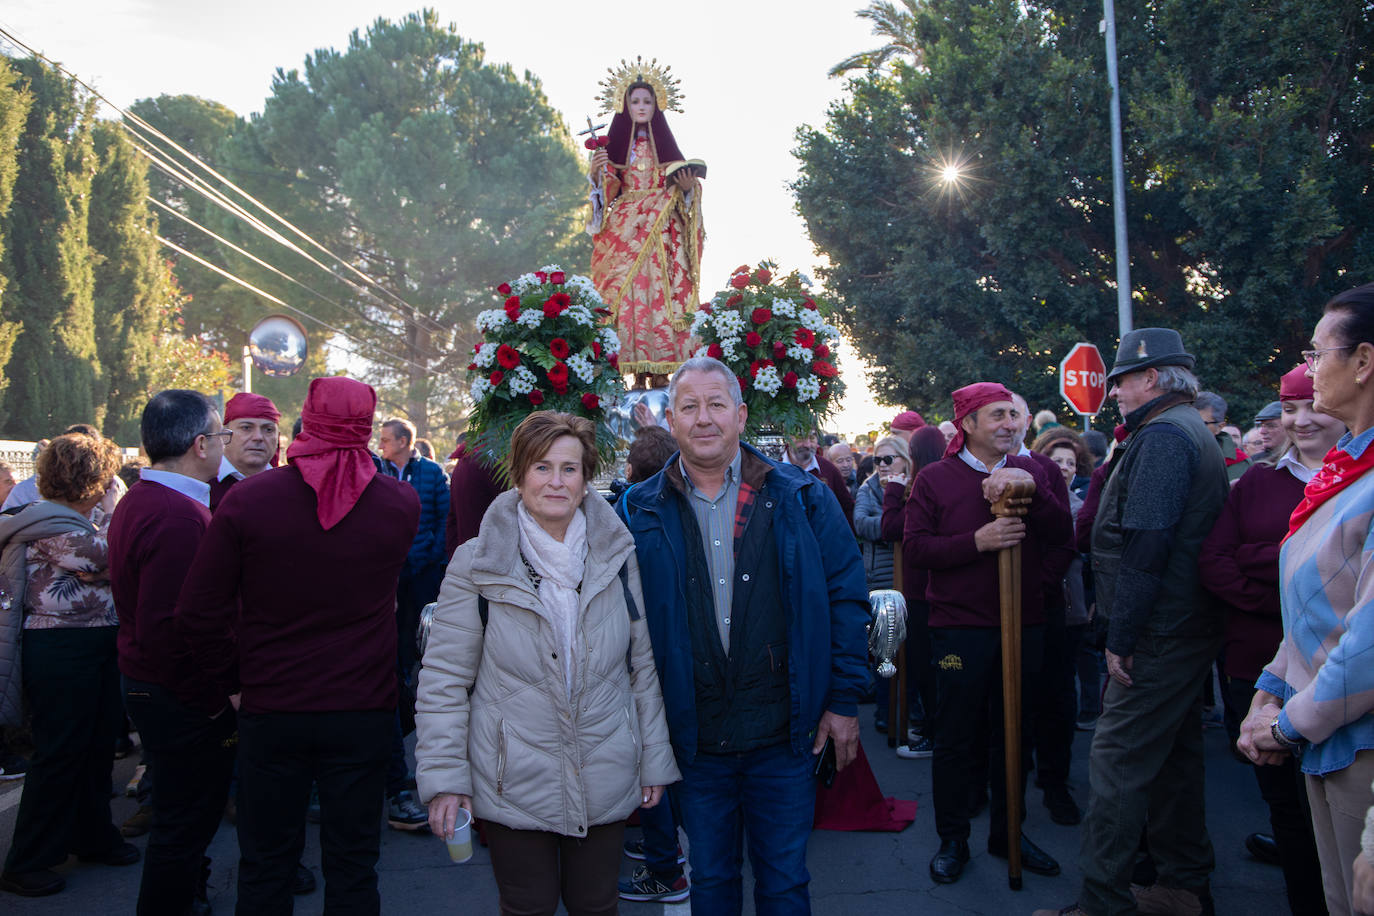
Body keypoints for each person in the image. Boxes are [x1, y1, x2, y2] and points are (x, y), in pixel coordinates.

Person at [619, 356, 870, 913]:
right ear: (672, 421)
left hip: (784, 734)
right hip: (695, 737)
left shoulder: (802, 497)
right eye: (689, 406)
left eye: (715, 404)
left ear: (740, 415)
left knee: (784, 883)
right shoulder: (638, 508)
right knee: (711, 882)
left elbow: (846, 599)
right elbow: (618, 618)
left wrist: (844, 700)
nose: (703, 418)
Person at [417, 411, 679, 915]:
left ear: (586, 481)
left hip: (604, 762)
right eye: (541, 467)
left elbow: (640, 667)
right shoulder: (477, 562)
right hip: (513, 772)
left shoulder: (617, 556)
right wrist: (446, 778)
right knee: (527, 907)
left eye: (569, 469)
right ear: (518, 475)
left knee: (596, 905)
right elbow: (445, 679)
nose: (556, 481)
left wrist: (653, 758)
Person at [176, 376, 420, 914]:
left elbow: (198, 612)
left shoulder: (249, 501)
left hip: (273, 704)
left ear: (305, 420)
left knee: (266, 863)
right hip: (361, 708)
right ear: (366, 425)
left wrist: (234, 683)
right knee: (355, 864)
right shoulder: (400, 502)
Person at [1037, 327, 1229, 916]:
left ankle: (1103, 904)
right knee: (1174, 757)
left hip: (1157, 632)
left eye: (1121, 380)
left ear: (1152, 378)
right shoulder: (1175, 430)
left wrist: (1120, 638)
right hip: (1174, 626)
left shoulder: (1168, 436)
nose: (1114, 391)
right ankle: (1182, 886)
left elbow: (1149, 545)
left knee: (1116, 761)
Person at [1237, 283, 1374, 916]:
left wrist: (1286, 725)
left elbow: (1366, 646)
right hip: (1322, 728)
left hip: (1357, 743)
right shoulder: (1348, 466)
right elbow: (1314, 610)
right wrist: (1268, 692)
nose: (1310, 366)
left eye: (1317, 352)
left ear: (1364, 362)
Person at [905, 383, 1073, 885]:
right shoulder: (936, 479)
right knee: (957, 736)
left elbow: (1063, 533)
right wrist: (976, 541)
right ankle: (953, 839)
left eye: (1013, 415)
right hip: (959, 631)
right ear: (968, 425)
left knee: (1016, 733)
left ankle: (1009, 833)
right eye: (995, 415)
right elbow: (916, 550)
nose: (1008, 423)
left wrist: (1030, 490)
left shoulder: (1038, 471)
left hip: (1026, 625)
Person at [1199, 365, 1338, 916]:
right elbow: (1214, 561)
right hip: (1257, 667)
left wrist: (1265, 560)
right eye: (1288, 407)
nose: (1300, 420)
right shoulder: (1256, 483)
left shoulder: (1358, 480)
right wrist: (1279, 594)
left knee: (1342, 812)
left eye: (1311, 405)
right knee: (1284, 807)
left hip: (1337, 677)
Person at [110, 390, 235, 916]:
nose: (227, 447)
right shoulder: (175, 516)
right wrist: (213, 701)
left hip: (152, 684)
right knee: (182, 826)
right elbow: (173, 631)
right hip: (176, 696)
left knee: (178, 823)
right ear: (201, 444)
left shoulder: (145, 498)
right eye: (225, 435)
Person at [0, 432, 135, 897]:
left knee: (95, 746)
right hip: (61, 649)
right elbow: (116, 557)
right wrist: (108, 565)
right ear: (97, 481)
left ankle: (93, 836)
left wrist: (106, 568)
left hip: (90, 643)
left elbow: (109, 562)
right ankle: (27, 861)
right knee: (60, 753)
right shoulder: (53, 524)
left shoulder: (71, 521)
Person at [587, 61, 703, 385]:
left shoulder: (667, 148)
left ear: (656, 106)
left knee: (658, 296)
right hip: (625, 231)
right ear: (625, 106)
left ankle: (661, 372)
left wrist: (686, 188)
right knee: (630, 297)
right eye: (635, 101)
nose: (641, 107)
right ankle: (636, 371)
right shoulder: (614, 149)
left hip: (662, 230)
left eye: (647, 102)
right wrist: (598, 171)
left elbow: (685, 191)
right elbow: (606, 193)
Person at [376, 416, 449, 830]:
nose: (382, 444)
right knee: (395, 638)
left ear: (404, 442)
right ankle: (402, 682)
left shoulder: (431, 473)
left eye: (387, 439)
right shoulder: (379, 470)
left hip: (422, 569)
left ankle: (414, 685)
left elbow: (442, 518)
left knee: (415, 634)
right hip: (391, 569)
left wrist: (430, 556)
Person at [879, 425, 949, 757]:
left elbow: (892, 528)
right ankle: (935, 726)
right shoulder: (944, 479)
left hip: (922, 590)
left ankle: (938, 732)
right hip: (931, 588)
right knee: (934, 664)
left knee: (927, 665)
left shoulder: (926, 484)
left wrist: (893, 490)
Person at [209, 392, 280, 510]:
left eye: (268, 429)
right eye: (246, 428)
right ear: (225, 434)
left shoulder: (286, 487)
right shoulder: (205, 483)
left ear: (277, 437)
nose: (258, 437)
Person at [783, 429, 856, 528]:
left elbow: (847, 508)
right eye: (801, 437)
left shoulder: (828, 469)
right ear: (787, 437)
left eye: (812, 438)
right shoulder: (774, 466)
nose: (808, 444)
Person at [1195, 390, 1253, 483]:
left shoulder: (1240, 464)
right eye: (1188, 422)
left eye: (1202, 424)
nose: (1191, 428)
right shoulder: (1171, 451)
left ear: (1219, 427)